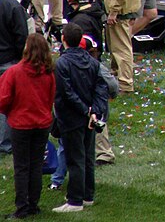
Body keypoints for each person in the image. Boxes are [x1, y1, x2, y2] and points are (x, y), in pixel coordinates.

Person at [52, 23, 108, 213]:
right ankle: (87, 195)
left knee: (75, 158)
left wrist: (86, 111)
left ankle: (75, 200)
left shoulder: (62, 64)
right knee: (87, 157)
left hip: (72, 117)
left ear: (63, 40)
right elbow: (101, 88)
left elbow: (66, 93)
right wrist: (94, 111)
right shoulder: (92, 62)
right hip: (89, 118)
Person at [0, 33, 55, 219]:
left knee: (22, 167)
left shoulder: (15, 72)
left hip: (21, 124)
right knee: (36, 164)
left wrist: (11, 113)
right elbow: (50, 97)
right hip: (41, 123)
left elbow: (3, 99)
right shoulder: (48, 73)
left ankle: (22, 207)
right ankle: (33, 204)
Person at [0, 0, 29, 156]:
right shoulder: (12, 6)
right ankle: (4, 143)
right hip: (8, 61)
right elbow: (22, 37)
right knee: (6, 104)